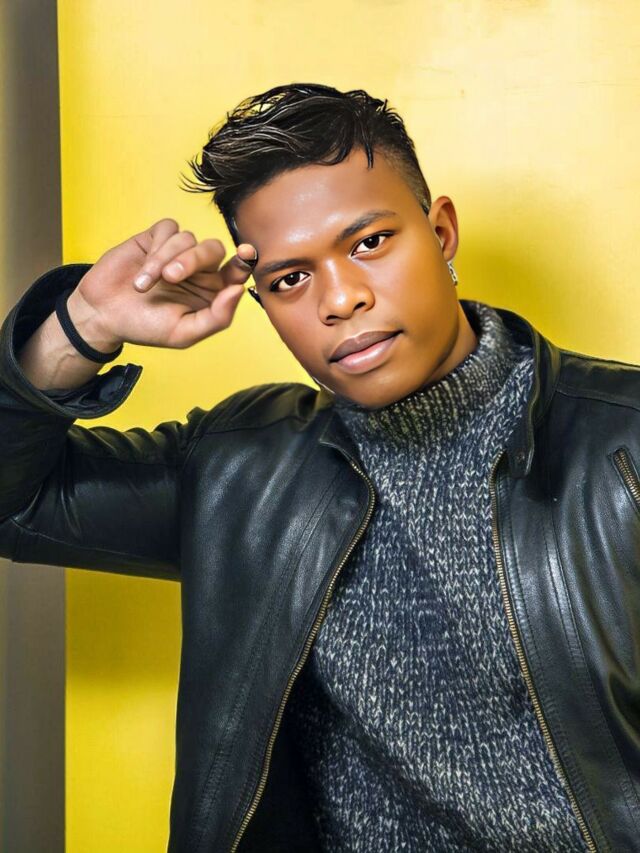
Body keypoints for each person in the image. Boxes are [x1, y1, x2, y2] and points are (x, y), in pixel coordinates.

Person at [0, 82, 638, 853]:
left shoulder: (622, 446)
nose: (340, 299)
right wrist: (84, 325)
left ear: (441, 233)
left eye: (369, 242)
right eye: (291, 279)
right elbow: (16, 501)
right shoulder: (245, 469)